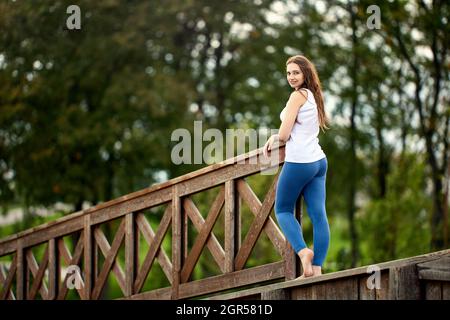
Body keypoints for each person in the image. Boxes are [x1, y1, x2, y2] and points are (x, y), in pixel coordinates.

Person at [263, 55, 331, 278]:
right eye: (288, 73)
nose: (291, 77)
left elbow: (284, 134)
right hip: (319, 162)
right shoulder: (313, 95)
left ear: (305, 74)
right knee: (319, 215)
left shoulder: (297, 96)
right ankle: (316, 270)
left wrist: (275, 138)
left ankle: (303, 253)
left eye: (296, 72)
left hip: (300, 161)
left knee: (282, 209)